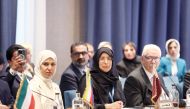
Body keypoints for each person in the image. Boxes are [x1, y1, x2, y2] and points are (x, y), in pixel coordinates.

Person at [59, 42, 89, 108]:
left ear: (88, 55)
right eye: (77, 54)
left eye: (83, 53)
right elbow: (76, 102)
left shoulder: (89, 71)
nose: (80, 56)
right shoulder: (68, 75)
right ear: (71, 56)